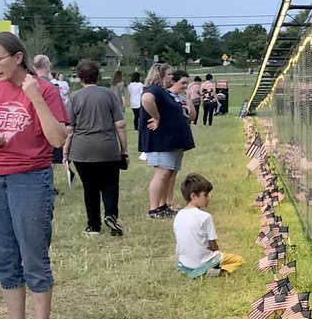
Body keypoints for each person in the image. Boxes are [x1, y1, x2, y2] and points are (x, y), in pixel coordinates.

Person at [0, 32, 68, 319]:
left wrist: (36, 98)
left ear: (17, 57)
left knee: (34, 255)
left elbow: (57, 139)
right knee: (4, 256)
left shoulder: (45, 89)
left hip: (29, 178)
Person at [63, 58, 127, 237]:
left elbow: (69, 129)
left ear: (80, 77)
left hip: (83, 150)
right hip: (107, 148)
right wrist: (124, 150)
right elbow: (120, 125)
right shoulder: (109, 95)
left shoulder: (74, 98)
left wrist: (65, 153)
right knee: (110, 184)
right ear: (98, 75)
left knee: (90, 187)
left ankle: (93, 226)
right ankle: (111, 214)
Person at [139, 65, 194, 219]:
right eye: (169, 74)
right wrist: (156, 117)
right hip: (159, 140)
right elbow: (146, 99)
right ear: (160, 75)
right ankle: (154, 208)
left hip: (170, 140)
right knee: (161, 174)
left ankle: (163, 205)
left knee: (168, 174)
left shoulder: (164, 93)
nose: (172, 77)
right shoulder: (154, 90)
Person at [173, 173, 244, 278]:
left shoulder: (179, 215)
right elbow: (213, 244)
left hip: (184, 261)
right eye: (205, 195)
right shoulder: (205, 217)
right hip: (202, 261)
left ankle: (196, 270)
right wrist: (217, 255)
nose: (208, 198)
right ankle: (216, 271)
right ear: (193, 196)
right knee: (239, 260)